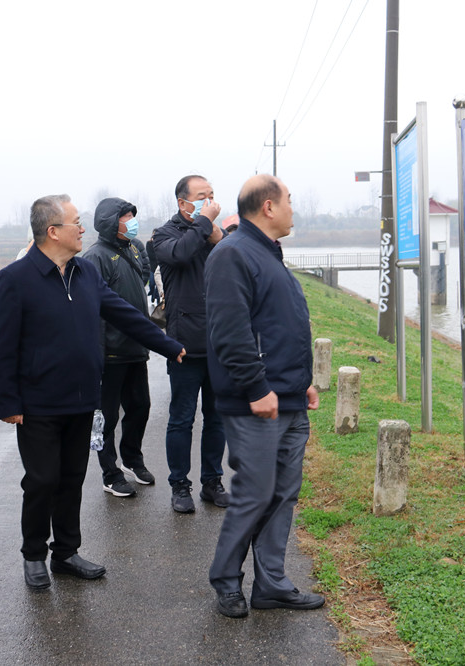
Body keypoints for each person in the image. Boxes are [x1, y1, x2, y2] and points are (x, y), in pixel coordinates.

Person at [0, 194, 185, 590]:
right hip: (38, 403)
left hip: (82, 399)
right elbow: (1, 345)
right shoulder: (15, 280)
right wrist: (8, 401)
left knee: (72, 478)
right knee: (42, 480)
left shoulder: (85, 273)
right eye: (75, 222)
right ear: (53, 231)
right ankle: (33, 554)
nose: (82, 229)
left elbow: (125, 314)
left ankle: (65, 552)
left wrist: (168, 345)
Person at [204, 174, 324, 619]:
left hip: (287, 398)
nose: (294, 208)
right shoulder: (232, 254)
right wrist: (257, 388)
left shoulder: (269, 254)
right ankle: (226, 580)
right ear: (269, 207)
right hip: (256, 403)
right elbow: (230, 331)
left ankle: (271, 583)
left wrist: (301, 381)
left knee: (282, 494)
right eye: (289, 200)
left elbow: (277, 326)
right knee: (254, 493)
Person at [148, 175, 230, 513]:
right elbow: (180, 255)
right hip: (184, 344)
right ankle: (180, 485)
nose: (208, 201)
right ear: (183, 203)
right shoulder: (164, 235)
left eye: (211, 195)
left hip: (219, 342)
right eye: (201, 196)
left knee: (217, 418)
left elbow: (238, 262)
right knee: (181, 419)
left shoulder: (214, 234)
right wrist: (204, 223)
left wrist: (219, 236)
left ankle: (212, 481)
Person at [82, 197, 156, 497]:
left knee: (140, 407)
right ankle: (110, 473)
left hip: (136, 348)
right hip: (109, 352)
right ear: (111, 223)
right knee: (107, 417)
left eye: (131, 216)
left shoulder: (135, 247)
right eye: (125, 217)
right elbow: (90, 307)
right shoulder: (95, 257)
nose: (131, 221)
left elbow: (145, 274)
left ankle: (132, 459)